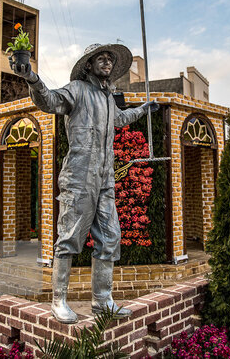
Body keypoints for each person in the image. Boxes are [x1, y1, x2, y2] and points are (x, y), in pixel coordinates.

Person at [11, 43, 158, 324]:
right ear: (89, 65)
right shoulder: (77, 90)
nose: (107, 63)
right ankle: (59, 301)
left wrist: (143, 109)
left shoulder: (106, 97)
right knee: (68, 239)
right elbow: (48, 101)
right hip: (78, 177)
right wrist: (31, 76)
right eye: (101, 58)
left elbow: (120, 118)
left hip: (104, 179)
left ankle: (103, 301)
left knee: (110, 237)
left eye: (109, 59)